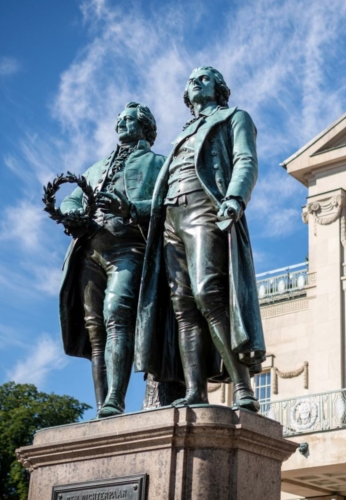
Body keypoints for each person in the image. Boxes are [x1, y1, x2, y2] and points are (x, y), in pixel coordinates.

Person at [135, 66, 265, 412]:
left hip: (204, 207)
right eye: (191, 80)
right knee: (183, 305)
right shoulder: (182, 134)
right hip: (169, 218)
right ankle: (195, 390)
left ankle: (242, 388)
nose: (195, 82)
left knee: (208, 292)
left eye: (204, 78)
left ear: (220, 88)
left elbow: (245, 160)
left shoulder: (234, 117)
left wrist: (235, 198)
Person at [58, 102, 166, 418]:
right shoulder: (95, 169)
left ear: (145, 127)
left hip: (129, 247)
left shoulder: (158, 163)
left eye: (129, 119)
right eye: (118, 119)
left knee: (116, 313)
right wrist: (70, 212)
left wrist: (131, 207)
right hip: (89, 250)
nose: (121, 123)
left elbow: (165, 202)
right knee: (95, 330)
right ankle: (103, 406)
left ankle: (115, 399)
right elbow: (72, 198)